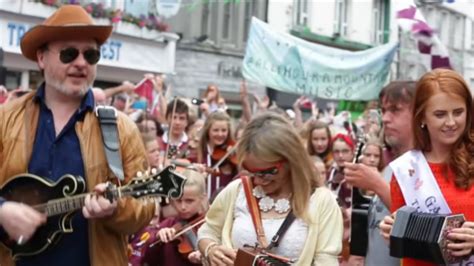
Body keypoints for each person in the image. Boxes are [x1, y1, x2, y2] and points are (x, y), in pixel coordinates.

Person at [0, 5, 155, 266]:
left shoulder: (120, 128)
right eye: (69, 53)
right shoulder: (5, 119)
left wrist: (116, 208)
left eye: (91, 55)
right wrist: (2, 211)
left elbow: (145, 207)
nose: (81, 63)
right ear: (41, 58)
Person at [197, 112, 343, 266]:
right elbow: (208, 230)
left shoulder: (322, 201)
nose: (258, 180)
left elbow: (326, 261)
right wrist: (211, 249)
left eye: (268, 172)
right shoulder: (237, 191)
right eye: (251, 171)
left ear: (291, 160)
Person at [380, 69, 474, 265]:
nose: (451, 122)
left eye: (458, 112)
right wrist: (391, 230)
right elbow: (401, 243)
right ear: (421, 117)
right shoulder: (406, 170)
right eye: (440, 114)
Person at [343, 81, 415, 266]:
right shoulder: (392, 167)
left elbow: (423, 226)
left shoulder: (431, 166)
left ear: (419, 114)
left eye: (395, 110)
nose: (386, 118)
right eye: (384, 111)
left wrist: (377, 185)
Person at [129, 170, 208, 266]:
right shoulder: (168, 224)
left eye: (189, 201)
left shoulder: (209, 225)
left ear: (202, 198)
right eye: (178, 200)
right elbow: (147, 258)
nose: (183, 207)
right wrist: (157, 237)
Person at [194, 111, 238, 197]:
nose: (220, 134)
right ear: (208, 130)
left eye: (224, 130)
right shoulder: (199, 151)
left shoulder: (232, 151)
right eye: (215, 130)